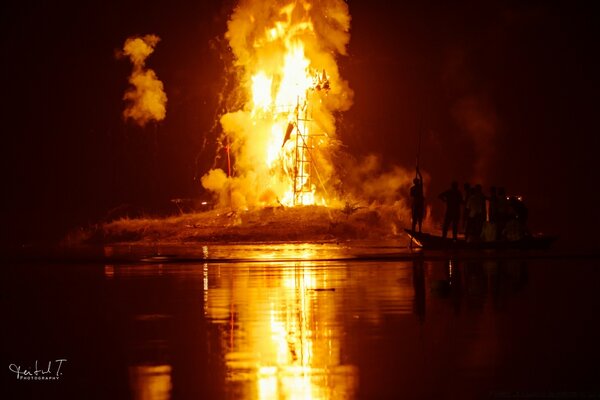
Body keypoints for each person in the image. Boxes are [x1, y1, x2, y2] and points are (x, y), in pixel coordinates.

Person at [410, 168, 425, 233]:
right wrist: (416, 193)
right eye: (417, 181)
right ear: (415, 182)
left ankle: (419, 230)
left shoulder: (420, 186)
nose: (418, 182)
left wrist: (418, 172)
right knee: (415, 217)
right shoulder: (412, 188)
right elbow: (411, 195)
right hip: (416, 204)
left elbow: (421, 178)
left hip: (420, 204)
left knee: (420, 218)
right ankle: (413, 229)